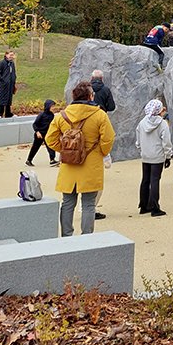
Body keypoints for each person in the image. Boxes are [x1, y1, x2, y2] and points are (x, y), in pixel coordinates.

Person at [45, 81, 115, 237]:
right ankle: (87, 236)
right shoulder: (99, 115)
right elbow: (108, 139)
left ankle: (67, 236)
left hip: (69, 165)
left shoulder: (61, 116)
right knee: (89, 204)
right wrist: (101, 152)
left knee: (68, 202)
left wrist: (65, 150)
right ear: (91, 96)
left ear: (73, 96)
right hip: (91, 164)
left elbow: (50, 139)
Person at [136, 98, 173, 216]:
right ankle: (155, 208)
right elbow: (166, 142)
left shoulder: (142, 122)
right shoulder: (162, 123)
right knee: (155, 180)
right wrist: (168, 156)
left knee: (145, 180)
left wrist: (142, 151)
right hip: (157, 156)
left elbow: (138, 141)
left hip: (146, 155)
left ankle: (143, 205)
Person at [26, 99, 58, 166]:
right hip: (39, 134)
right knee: (35, 147)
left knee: (51, 146)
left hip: (47, 134)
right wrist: (37, 132)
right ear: (48, 106)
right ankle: (29, 160)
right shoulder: (41, 115)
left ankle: (52, 159)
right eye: (52, 106)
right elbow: (35, 124)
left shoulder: (52, 115)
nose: (54, 108)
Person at [0, 50, 17, 118]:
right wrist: (3, 81)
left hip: (10, 84)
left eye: (12, 55)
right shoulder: (2, 63)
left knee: (9, 99)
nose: (12, 57)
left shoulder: (12, 63)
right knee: (2, 99)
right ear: (6, 55)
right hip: (3, 85)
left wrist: (13, 81)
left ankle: (8, 113)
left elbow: (13, 73)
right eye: (10, 55)